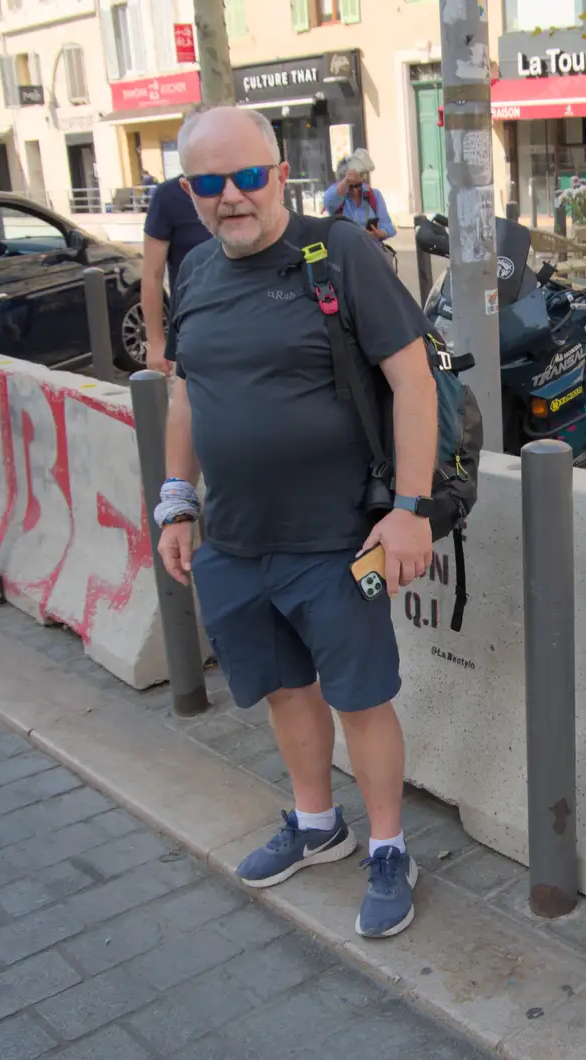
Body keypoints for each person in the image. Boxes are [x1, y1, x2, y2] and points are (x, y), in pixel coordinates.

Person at [156, 105, 438, 938]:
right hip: (237, 541)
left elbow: (414, 383)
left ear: (282, 175)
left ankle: (389, 847)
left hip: (338, 539)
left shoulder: (338, 252)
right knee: (284, 689)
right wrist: (177, 499)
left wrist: (409, 511)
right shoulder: (196, 274)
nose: (232, 197)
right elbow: (185, 392)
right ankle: (318, 825)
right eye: (211, 183)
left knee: (361, 698)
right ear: (188, 191)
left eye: (249, 177)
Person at [142, 168, 214, 373]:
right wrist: (156, 342)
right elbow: (152, 274)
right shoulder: (169, 196)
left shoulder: (244, 186)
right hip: (195, 329)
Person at [323, 148, 396, 241]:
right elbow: (329, 201)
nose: (354, 191)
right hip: (345, 251)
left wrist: (381, 233)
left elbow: (389, 226)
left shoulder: (374, 195)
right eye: (350, 187)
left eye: (358, 186)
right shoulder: (336, 195)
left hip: (370, 250)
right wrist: (347, 181)